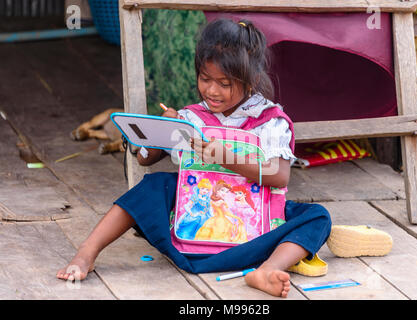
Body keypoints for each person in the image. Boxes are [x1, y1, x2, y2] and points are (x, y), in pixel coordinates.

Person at [56, 18, 331, 298]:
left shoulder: (268, 121)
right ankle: (86, 254)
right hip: (190, 233)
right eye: (205, 79)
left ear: (252, 80)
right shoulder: (191, 118)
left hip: (255, 237)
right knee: (154, 186)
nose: (212, 91)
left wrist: (224, 156)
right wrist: (164, 128)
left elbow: (279, 175)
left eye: (224, 83)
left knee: (317, 216)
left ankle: (268, 270)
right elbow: (145, 160)